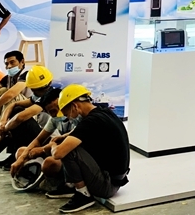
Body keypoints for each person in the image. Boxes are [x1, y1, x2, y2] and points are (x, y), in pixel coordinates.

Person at [43, 84, 130, 212]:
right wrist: (65, 136)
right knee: (72, 142)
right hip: (116, 180)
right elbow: (79, 131)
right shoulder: (103, 113)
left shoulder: (90, 122)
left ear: (75, 106)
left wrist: (54, 145)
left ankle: (83, 194)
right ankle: (71, 185)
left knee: (69, 150)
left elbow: (58, 154)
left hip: (107, 186)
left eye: (67, 114)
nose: (68, 118)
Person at [10, 85, 79, 196]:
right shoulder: (54, 119)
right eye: (52, 112)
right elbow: (38, 139)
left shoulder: (78, 117)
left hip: (72, 154)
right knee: (21, 152)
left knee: (50, 163)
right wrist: (21, 158)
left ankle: (65, 184)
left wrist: (42, 150)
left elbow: (68, 147)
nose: (58, 113)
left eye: (60, 108)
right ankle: (42, 175)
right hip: (58, 149)